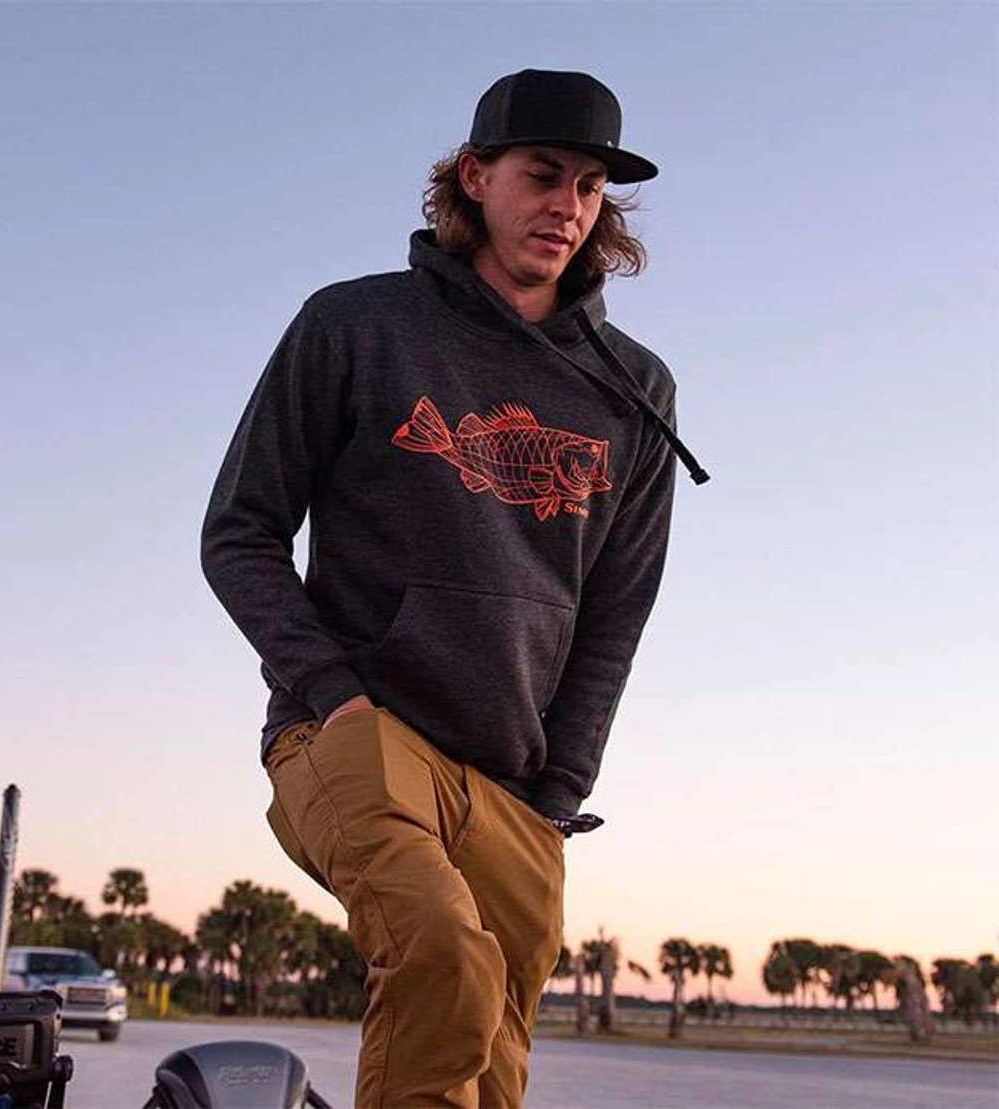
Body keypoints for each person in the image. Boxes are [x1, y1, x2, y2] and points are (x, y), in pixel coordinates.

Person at [201, 69, 707, 1108]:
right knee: (441, 956)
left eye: (589, 186)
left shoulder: (636, 390)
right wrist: (333, 693)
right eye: (541, 175)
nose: (566, 205)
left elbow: (615, 612)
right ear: (474, 176)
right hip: (356, 731)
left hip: (515, 785)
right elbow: (239, 531)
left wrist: (557, 796)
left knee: (494, 1070)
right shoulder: (355, 325)